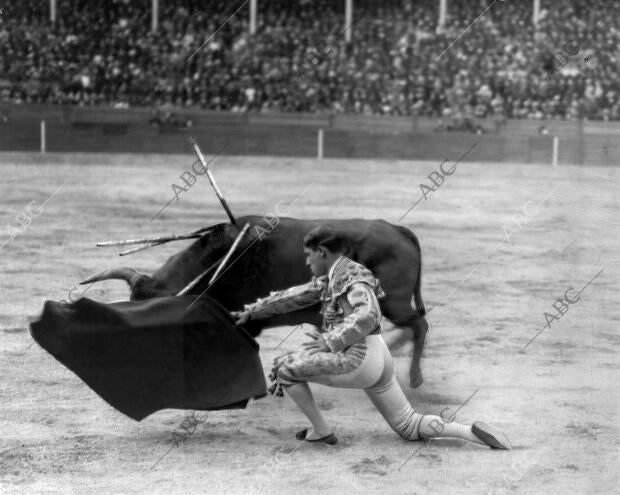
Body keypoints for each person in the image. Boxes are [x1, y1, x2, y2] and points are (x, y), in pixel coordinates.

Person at [231, 224, 511, 449]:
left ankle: (321, 431)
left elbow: (369, 315)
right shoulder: (338, 276)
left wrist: (331, 340)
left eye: (309, 255)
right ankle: (470, 432)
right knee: (408, 426)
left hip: (359, 357)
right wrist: (253, 312)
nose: (306, 261)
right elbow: (294, 297)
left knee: (286, 369)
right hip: (377, 357)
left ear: (323, 252)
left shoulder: (352, 280)